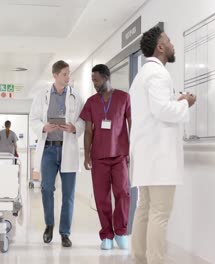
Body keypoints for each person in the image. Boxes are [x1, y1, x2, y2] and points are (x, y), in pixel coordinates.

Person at [129, 26, 197, 264]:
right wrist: (185, 103)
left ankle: (138, 258)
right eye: (168, 40)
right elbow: (161, 110)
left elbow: (154, 109)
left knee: (145, 209)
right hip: (159, 156)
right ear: (160, 47)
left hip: (147, 155)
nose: (172, 43)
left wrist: (174, 102)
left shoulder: (142, 75)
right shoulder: (158, 74)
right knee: (159, 213)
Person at [29, 60, 85, 247]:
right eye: (65, 74)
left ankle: (65, 232)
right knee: (46, 188)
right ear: (55, 75)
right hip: (49, 149)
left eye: (69, 74)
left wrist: (74, 127)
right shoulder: (42, 96)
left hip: (67, 147)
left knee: (68, 193)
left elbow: (83, 121)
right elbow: (34, 119)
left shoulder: (76, 96)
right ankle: (49, 225)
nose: (68, 77)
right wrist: (43, 127)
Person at [79, 64, 131, 250]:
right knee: (102, 197)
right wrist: (86, 156)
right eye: (92, 80)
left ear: (107, 77)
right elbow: (87, 131)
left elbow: (131, 123)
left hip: (120, 155)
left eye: (96, 79)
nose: (94, 83)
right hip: (99, 156)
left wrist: (132, 150)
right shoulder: (92, 102)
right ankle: (107, 235)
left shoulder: (124, 97)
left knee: (123, 194)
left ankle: (121, 232)